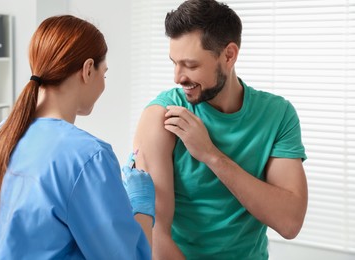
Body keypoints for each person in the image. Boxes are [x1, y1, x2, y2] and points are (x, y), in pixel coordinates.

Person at [0, 15, 155, 260]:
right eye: (103, 74)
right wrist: (142, 206)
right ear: (88, 70)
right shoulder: (88, 157)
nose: (103, 84)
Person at [132, 0, 308, 259]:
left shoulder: (278, 114)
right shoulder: (162, 117)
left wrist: (211, 155)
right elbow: (156, 236)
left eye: (191, 65)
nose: (178, 77)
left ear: (229, 55)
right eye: (174, 62)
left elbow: (289, 222)